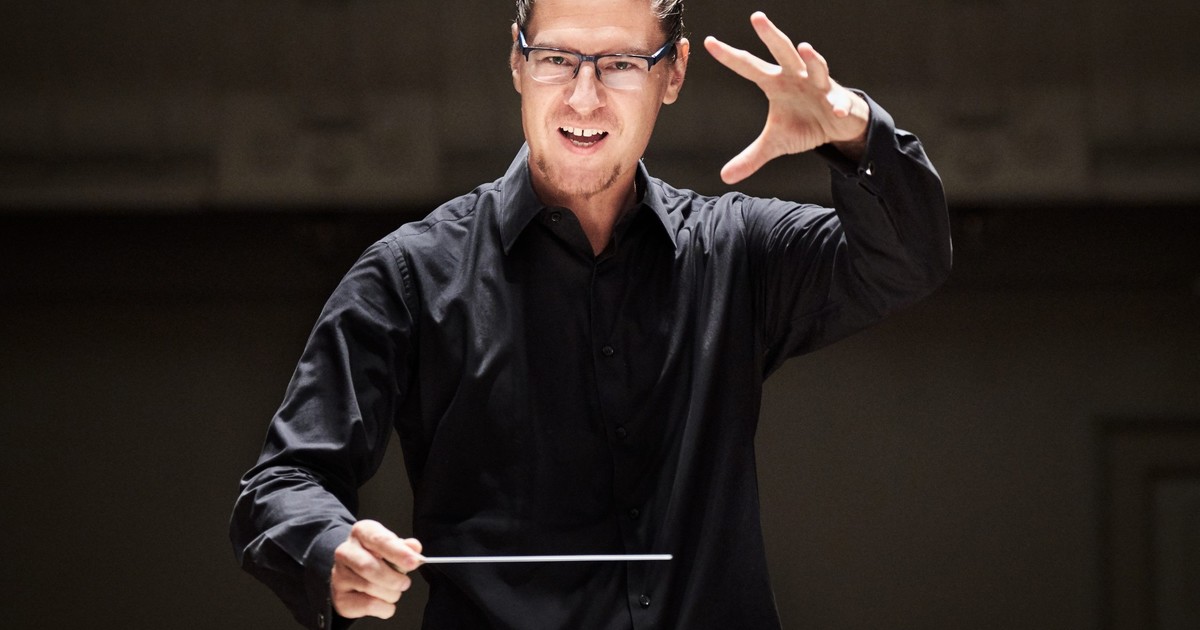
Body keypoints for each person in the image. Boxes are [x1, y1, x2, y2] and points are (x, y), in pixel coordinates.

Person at [230, 0, 952, 628]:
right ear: (517, 62)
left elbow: (907, 261)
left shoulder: (735, 250)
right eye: (555, 60)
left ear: (673, 74)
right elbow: (282, 484)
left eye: (621, 65)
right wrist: (331, 549)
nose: (583, 99)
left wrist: (854, 132)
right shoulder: (410, 274)